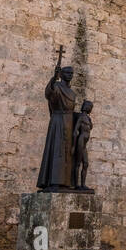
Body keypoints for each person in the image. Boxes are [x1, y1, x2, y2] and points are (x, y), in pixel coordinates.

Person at [36, 62, 75, 190]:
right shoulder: (57, 87)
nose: (70, 75)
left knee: (67, 152)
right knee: (57, 150)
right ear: (62, 74)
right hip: (58, 120)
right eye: (67, 73)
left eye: (71, 73)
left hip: (69, 122)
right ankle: (54, 180)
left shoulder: (72, 92)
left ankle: (66, 182)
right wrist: (53, 78)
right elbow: (49, 93)